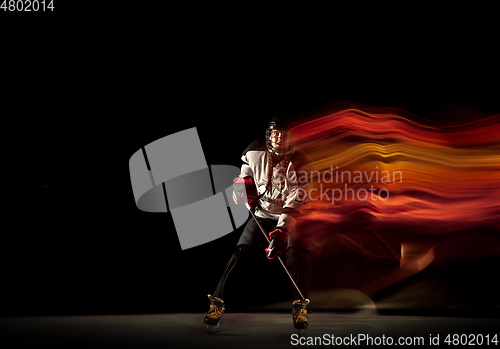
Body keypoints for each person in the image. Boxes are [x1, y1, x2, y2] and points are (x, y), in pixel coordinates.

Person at [204, 115, 313, 333]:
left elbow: (295, 200)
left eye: (283, 134)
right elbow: (246, 175)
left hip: (292, 217)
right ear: (269, 136)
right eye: (275, 134)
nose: (279, 138)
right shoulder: (254, 151)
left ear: (291, 138)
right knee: (241, 253)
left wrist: (281, 232)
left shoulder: (302, 162)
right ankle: (217, 304)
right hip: (262, 213)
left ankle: (300, 307)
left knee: (298, 256)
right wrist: (243, 188)